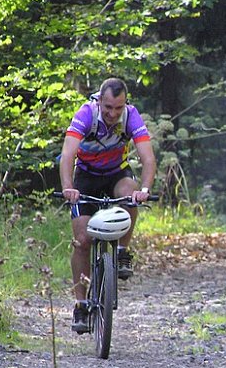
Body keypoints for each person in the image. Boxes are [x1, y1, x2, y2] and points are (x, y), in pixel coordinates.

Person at [59, 77, 157, 334]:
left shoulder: (131, 115)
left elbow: (147, 158)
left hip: (116, 173)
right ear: (99, 101)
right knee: (82, 240)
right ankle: (81, 303)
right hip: (86, 176)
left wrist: (145, 190)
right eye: (108, 108)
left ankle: (122, 250)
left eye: (118, 108)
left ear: (125, 104)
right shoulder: (85, 114)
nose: (113, 113)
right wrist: (69, 187)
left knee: (130, 193)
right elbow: (68, 154)